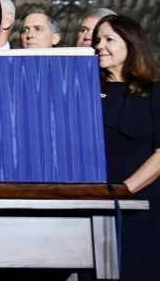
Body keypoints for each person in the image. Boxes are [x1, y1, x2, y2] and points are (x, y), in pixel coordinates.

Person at [93, 15, 160, 280]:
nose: (100, 45)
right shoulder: (84, 91)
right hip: (93, 203)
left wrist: (123, 191)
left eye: (109, 39)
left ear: (131, 44)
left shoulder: (154, 93)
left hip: (141, 206)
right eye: (98, 40)